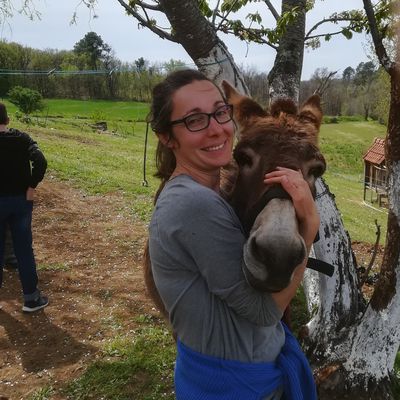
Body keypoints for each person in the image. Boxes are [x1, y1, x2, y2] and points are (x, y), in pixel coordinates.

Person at [147, 69, 320, 400]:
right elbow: (264, 312)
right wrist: (308, 230)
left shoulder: (207, 194)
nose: (217, 129)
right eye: (195, 120)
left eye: (220, 112)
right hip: (235, 387)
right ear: (167, 137)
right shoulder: (195, 204)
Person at [0, 102, 49, 312]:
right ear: (7, 120)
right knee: (24, 251)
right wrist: (32, 186)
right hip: (21, 202)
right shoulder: (23, 139)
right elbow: (40, 160)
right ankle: (31, 299)